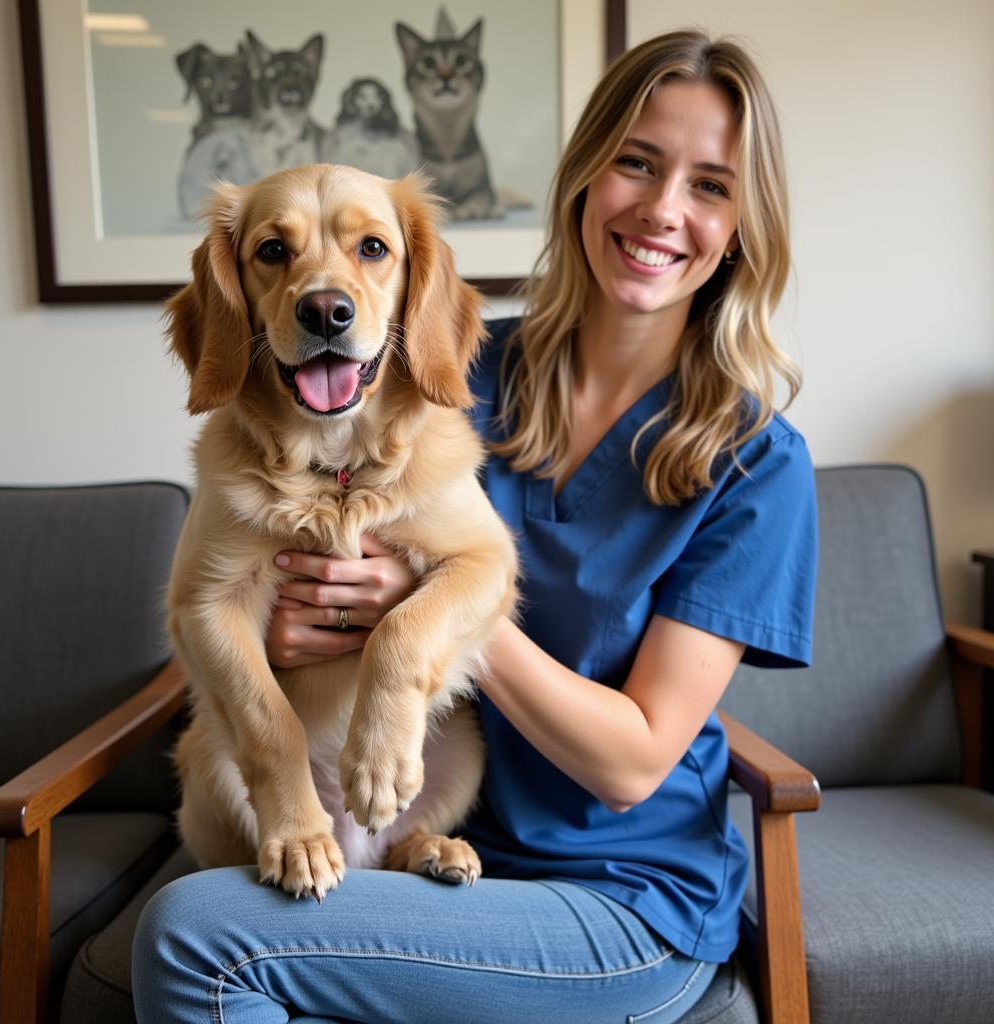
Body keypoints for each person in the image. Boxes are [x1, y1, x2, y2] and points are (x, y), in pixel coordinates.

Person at [133, 30, 817, 1024]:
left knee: (196, 937)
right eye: (636, 161)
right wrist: (282, 627)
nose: (663, 209)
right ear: (584, 176)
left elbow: (632, 763)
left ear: (744, 223)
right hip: (435, 851)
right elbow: (255, 563)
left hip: (613, 897)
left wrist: (426, 617)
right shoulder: (441, 370)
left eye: (710, 185)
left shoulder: (757, 462)